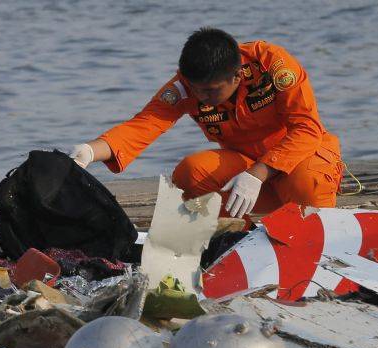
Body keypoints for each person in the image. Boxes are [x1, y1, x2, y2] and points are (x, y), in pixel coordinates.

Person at [68, 27, 343, 218]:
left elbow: (307, 129)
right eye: (195, 87)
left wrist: (258, 173)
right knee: (189, 173)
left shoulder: (272, 65)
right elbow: (143, 126)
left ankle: (319, 237)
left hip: (299, 164)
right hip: (245, 172)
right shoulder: (186, 87)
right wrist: (88, 152)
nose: (201, 97)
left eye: (211, 91)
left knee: (308, 178)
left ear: (236, 77)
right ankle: (234, 237)